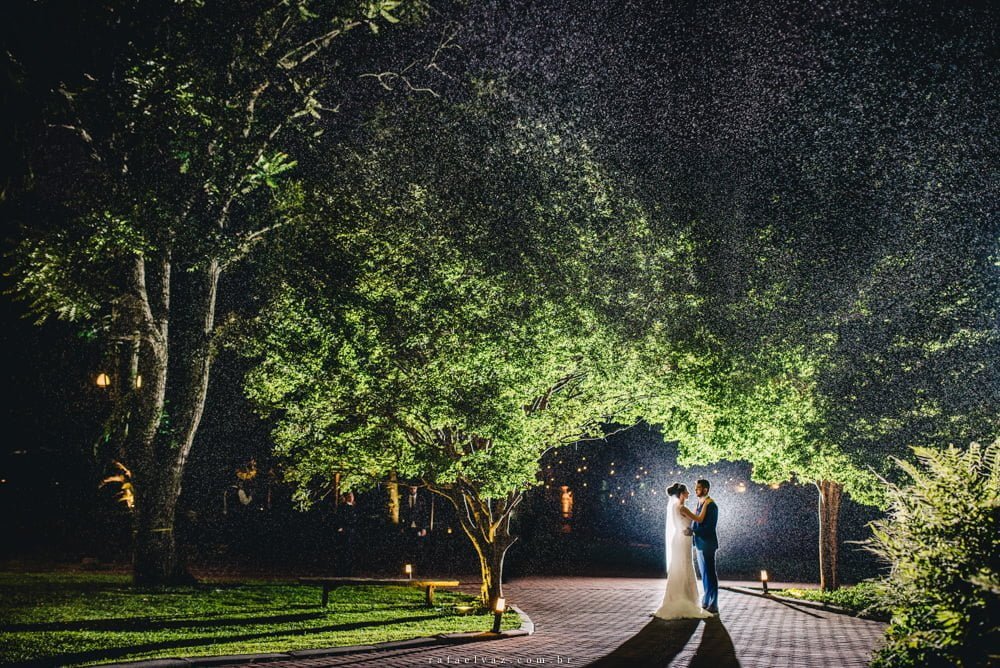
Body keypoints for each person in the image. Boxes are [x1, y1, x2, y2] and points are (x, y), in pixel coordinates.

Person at [653, 482, 714, 620]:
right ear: (681, 494)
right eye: (687, 491)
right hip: (683, 539)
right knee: (684, 566)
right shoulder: (682, 507)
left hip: (679, 538)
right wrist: (705, 504)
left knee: (679, 567)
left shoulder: (676, 507)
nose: (689, 493)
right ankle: (685, 599)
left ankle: (677, 598)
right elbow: (699, 518)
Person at [691, 478, 720, 614]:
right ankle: (706, 600)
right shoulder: (700, 503)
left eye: (698, 488)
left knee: (710, 574)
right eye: (696, 488)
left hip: (708, 544)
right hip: (699, 544)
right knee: (704, 574)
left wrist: (693, 531)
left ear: (705, 489)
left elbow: (709, 527)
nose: (695, 490)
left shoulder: (712, 505)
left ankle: (714, 603)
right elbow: (696, 522)